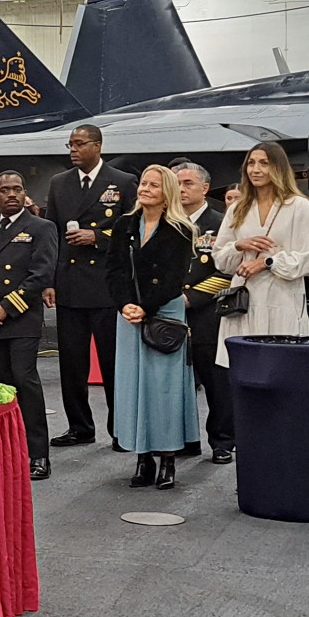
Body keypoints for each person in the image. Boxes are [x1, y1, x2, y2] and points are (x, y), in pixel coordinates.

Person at [41, 125, 137, 447]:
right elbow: (52, 235)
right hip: (70, 284)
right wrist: (50, 281)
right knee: (72, 364)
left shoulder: (122, 182)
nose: (73, 149)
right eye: (70, 144)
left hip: (107, 288)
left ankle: (120, 428)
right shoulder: (59, 183)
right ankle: (80, 427)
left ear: (97, 145)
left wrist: (97, 237)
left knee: (112, 364)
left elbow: (132, 232)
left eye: (80, 144)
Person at [107, 165, 197, 489]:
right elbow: (114, 270)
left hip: (163, 313)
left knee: (164, 389)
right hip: (129, 313)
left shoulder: (180, 230)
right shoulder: (124, 225)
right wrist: (125, 305)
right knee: (133, 386)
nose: (144, 189)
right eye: (143, 183)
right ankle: (142, 457)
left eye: (153, 185)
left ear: (166, 193)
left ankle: (168, 458)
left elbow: (174, 279)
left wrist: (146, 307)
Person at [0, 170, 58, 480]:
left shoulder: (41, 228)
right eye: (5, 190)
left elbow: (40, 275)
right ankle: (5, 451)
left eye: (17, 189)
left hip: (20, 319)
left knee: (25, 382)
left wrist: (6, 308)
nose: (11, 195)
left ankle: (38, 454)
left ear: (24, 193)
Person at [213, 143, 309, 372]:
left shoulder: (298, 206)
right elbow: (220, 259)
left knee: (282, 368)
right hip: (243, 301)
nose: (256, 169)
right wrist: (239, 245)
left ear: (278, 167)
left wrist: (267, 262)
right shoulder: (237, 208)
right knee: (243, 369)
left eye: (264, 163)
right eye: (251, 163)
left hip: (283, 297)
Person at [174, 161, 236, 462]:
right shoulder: (166, 221)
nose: (181, 189)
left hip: (207, 312)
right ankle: (184, 439)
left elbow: (227, 272)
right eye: (177, 183)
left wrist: (191, 297)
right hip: (170, 313)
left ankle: (222, 441)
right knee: (176, 384)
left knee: (216, 383)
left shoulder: (222, 223)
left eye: (188, 183)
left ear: (205, 188)